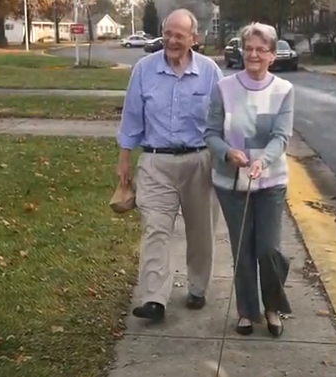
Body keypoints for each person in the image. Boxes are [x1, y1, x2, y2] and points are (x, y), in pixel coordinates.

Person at [116, 9, 224, 321]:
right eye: (168, 33)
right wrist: (124, 158)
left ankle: (197, 288)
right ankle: (154, 299)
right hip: (155, 161)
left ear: (194, 38)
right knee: (155, 229)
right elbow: (132, 117)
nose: (172, 40)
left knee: (201, 231)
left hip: (199, 160)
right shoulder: (144, 69)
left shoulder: (210, 72)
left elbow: (224, 117)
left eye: (179, 35)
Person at [204, 22, 294, 338]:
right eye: (249, 48)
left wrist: (261, 161)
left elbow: (281, 136)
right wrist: (229, 153)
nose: (253, 54)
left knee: (268, 249)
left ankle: (272, 306)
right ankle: (246, 311)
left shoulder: (283, 90)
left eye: (261, 49)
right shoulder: (225, 88)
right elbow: (211, 134)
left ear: (272, 55)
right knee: (243, 248)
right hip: (231, 182)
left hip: (270, 181)